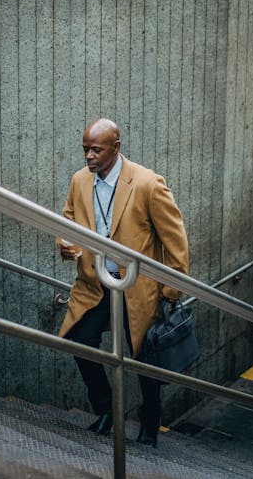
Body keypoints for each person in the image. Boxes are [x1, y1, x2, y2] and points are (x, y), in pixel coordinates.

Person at [57, 117, 189, 447]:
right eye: (85, 149)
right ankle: (106, 410)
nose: (88, 156)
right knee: (79, 339)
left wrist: (171, 290)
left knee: (144, 356)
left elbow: (175, 240)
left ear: (116, 148)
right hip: (97, 282)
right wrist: (65, 243)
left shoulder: (147, 183)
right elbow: (69, 218)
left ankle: (150, 422)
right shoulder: (79, 181)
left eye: (96, 150)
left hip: (137, 286)